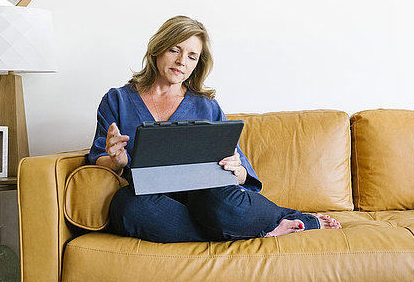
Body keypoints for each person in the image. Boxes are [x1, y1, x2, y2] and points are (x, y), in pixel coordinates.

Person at [88, 16, 341, 243]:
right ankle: (258, 230)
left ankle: (290, 221)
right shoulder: (117, 100)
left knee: (221, 205)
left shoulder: (206, 106)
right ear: (157, 50)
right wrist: (117, 162)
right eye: (174, 50)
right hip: (152, 200)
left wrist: (235, 167)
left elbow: (243, 177)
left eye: (191, 56)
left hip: (207, 197)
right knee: (125, 207)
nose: (181, 62)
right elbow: (98, 158)